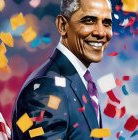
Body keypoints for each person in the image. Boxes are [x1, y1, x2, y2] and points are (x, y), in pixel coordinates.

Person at [12, 0, 112, 139]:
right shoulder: (48, 88)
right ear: (62, 25)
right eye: (89, 21)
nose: (101, 32)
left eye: (107, 23)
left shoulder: (77, 80)